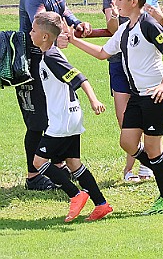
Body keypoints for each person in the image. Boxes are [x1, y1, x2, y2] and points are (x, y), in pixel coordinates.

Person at [68, 0, 163, 214]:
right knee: (128, 143)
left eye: (119, 0)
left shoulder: (149, 24)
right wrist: (73, 40)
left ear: (133, 2)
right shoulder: (124, 29)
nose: (115, 4)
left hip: (156, 96)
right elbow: (103, 53)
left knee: (153, 149)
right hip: (138, 96)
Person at [17, 0, 92, 190]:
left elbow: (62, 8)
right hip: (30, 66)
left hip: (50, 64)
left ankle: (57, 168)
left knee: (55, 117)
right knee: (37, 122)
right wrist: (60, 33)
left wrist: (76, 23)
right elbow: (41, 21)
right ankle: (33, 176)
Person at [30, 12, 112, 222]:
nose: (30, 33)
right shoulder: (51, 54)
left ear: (46, 36)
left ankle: (75, 194)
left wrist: (94, 100)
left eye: (33, 30)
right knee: (74, 163)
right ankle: (101, 204)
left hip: (62, 121)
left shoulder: (51, 57)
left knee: (39, 162)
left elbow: (80, 78)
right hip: (71, 118)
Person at [103, 0, 163, 182]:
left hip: (144, 65)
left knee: (151, 117)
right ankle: (134, 167)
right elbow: (111, 30)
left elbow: (159, 30)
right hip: (119, 64)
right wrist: (113, 13)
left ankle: (145, 167)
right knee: (125, 121)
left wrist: (159, 16)